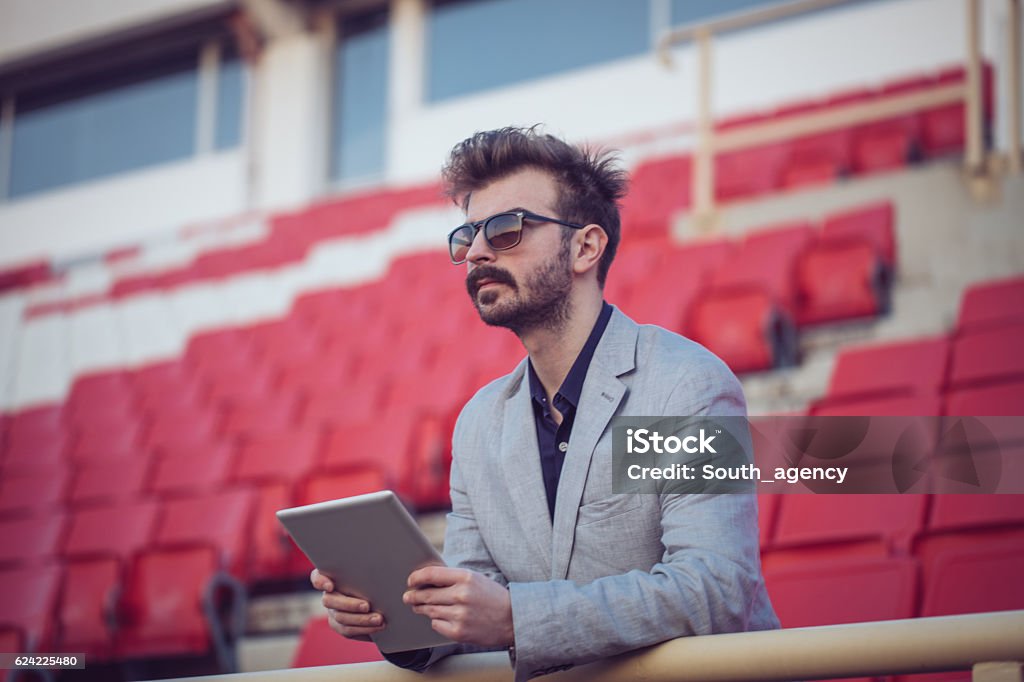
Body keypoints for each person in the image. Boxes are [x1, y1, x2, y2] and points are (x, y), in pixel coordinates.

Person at [312, 126, 779, 681]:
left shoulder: (686, 385)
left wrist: (516, 619)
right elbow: (472, 606)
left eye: (507, 229)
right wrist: (400, 619)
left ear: (585, 247)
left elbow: (714, 587)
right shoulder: (479, 424)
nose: (478, 251)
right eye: (469, 235)